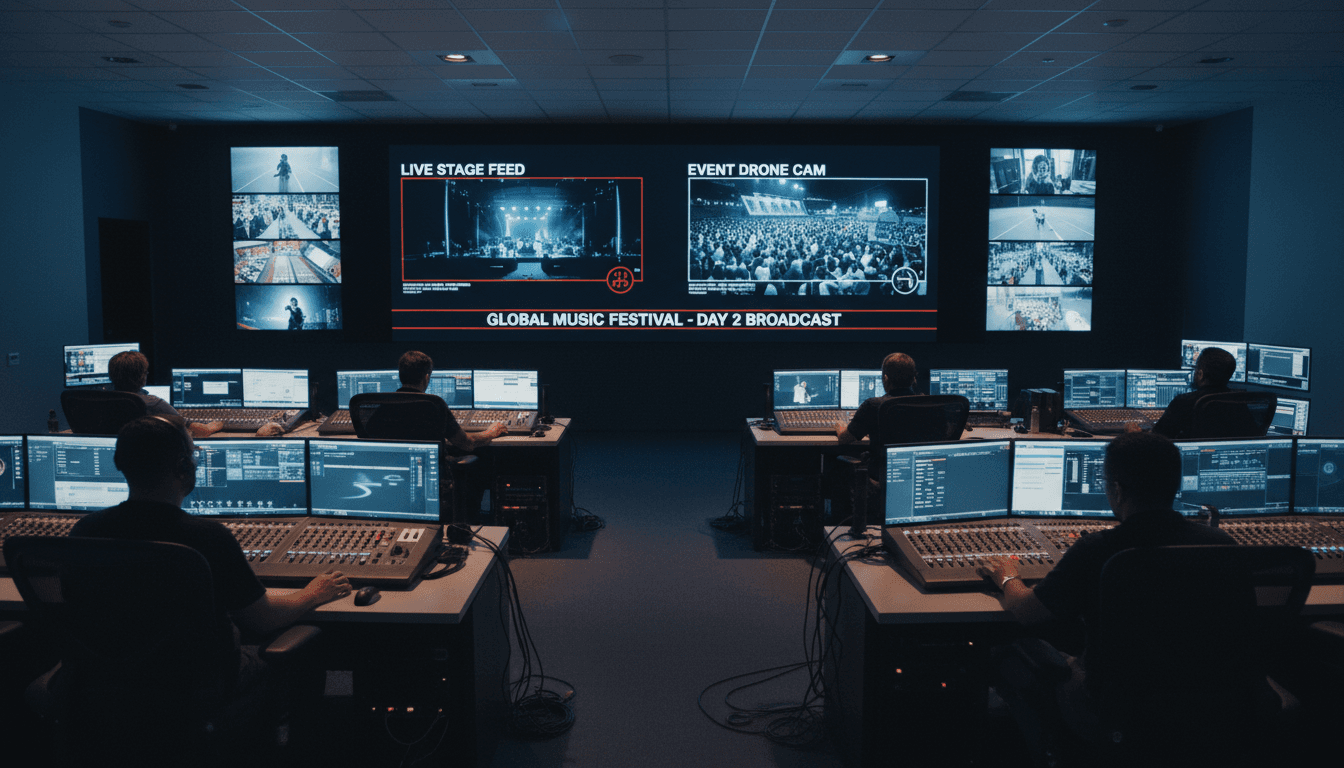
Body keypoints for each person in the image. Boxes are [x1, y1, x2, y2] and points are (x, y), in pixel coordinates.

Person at [69, 415, 350, 701]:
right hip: (197, 689)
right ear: (184, 468)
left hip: (107, 689)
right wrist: (312, 594)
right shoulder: (207, 538)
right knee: (305, 653)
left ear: (121, 465)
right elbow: (263, 619)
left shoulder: (85, 532)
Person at [980, 431, 1235, 738]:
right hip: (1213, 705)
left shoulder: (1098, 549)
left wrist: (1008, 576)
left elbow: (1025, 611)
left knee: (1005, 651)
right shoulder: (1221, 545)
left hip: (1117, 710)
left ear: (1117, 489)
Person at [397, 351, 506, 451]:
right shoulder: (434, 404)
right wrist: (490, 432)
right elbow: (466, 443)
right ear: (426, 378)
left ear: (400, 376)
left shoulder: (383, 403)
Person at [107, 350, 221, 438]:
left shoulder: (102, 400)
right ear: (143, 377)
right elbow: (200, 430)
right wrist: (214, 425)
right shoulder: (153, 404)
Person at [1148, 347, 1236, 439]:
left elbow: (1158, 439)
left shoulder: (1183, 402)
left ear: (1201, 374)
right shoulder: (1239, 402)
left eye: (1195, 369)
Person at [835, 351, 918, 448]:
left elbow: (844, 439)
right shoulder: (925, 404)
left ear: (885, 379)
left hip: (881, 462)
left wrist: (840, 426)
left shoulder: (873, 405)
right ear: (913, 379)